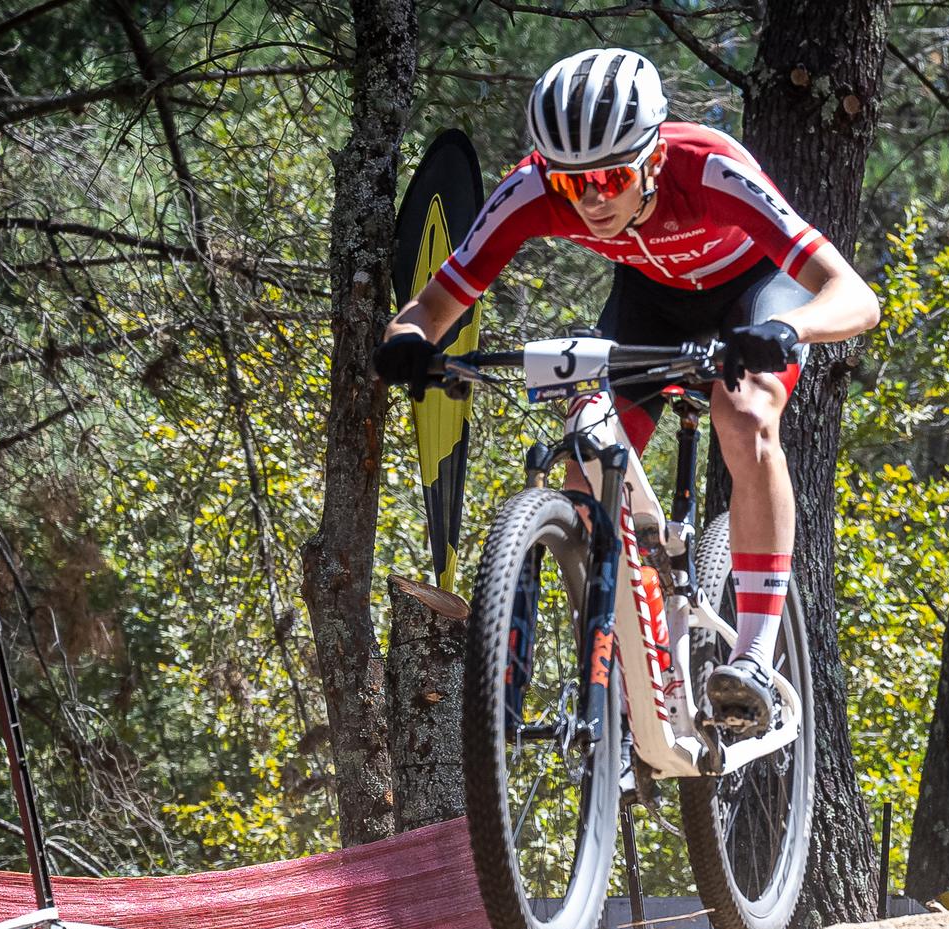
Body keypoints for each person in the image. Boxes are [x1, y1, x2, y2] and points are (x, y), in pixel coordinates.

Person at [373, 48, 880, 738]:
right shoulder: (531, 191)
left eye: (612, 177)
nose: (593, 201)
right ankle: (634, 659)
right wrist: (406, 344)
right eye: (571, 184)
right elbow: (431, 307)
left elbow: (855, 296)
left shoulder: (708, 168)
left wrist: (789, 330)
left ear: (652, 158)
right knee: (586, 452)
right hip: (651, 303)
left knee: (746, 409)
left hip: (755, 294)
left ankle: (754, 655)